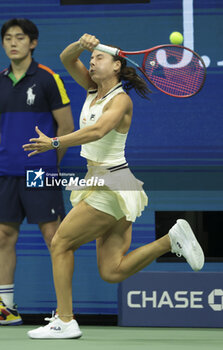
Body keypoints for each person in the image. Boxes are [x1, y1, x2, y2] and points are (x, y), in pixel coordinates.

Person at [23, 34, 205, 339]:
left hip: (111, 183)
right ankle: (169, 240)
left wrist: (55, 142)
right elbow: (67, 59)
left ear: (117, 66)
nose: (92, 62)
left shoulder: (121, 100)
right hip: (103, 182)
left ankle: (64, 320)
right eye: (92, 59)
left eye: (99, 58)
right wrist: (83, 46)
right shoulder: (92, 89)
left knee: (60, 243)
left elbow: (97, 131)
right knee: (112, 271)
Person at [0, 18, 74, 325]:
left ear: (33, 43)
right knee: (3, 236)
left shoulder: (48, 79)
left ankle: (64, 312)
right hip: (5, 173)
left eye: (20, 38)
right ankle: (6, 309)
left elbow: (67, 128)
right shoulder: (0, 80)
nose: (13, 43)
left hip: (40, 172)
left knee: (55, 237)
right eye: (7, 38)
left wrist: (48, 165)